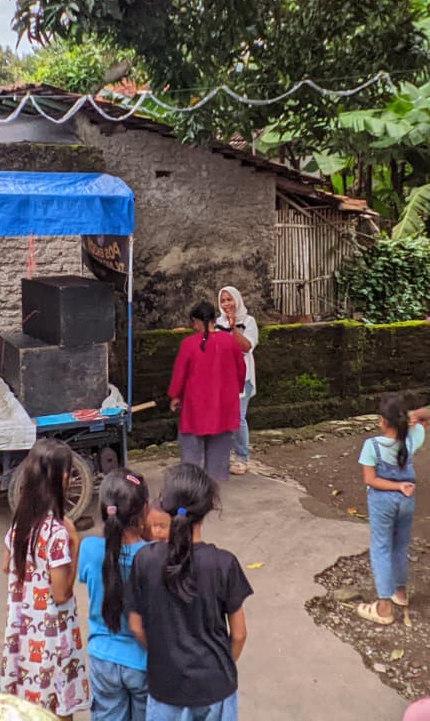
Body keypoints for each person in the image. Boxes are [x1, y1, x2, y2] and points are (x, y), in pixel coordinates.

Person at [128, 464, 252, 721]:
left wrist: (163, 658)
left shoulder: (144, 560)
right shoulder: (224, 563)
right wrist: (221, 670)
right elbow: (239, 634)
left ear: (165, 505)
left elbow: (136, 626)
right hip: (215, 687)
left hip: (165, 686)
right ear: (209, 506)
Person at [1, 438, 90, 718]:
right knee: (58, 704)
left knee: (31, 704)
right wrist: (75, 544)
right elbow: (61, 593)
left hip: (23, 632)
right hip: (52, 636)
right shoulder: (57, 533)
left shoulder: (19, 522)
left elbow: (7, 566)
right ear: (61, 478)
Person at [78, 471, 151, 721]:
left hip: (103, 657)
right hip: (143, 659)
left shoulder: (89, 548)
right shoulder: (154, 555)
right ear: (145, 509)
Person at [356, 395, 430, 625]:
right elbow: (426, 416)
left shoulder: (372, 445)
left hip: (383, 502)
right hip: (406, 500)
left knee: (381, 548)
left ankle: (384, 607)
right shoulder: (410, 441)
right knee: (400, 546)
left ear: (382, 421)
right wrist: (414, 418)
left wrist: (396, 485)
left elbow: (371, 480)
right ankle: (400, 593)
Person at [169, 301, 246, 484]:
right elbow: (241, 370)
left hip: (195, 406)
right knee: (219, 455)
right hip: (224, 405)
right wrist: (235, 390)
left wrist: (175, 396)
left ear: (196, 321)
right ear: (214, 319)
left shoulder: (189, 344)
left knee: (191, 455)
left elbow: (180, 374)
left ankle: (191, 488)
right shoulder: (229, 341)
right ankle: (213, 490)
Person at [217, 286, 259, 476]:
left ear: (237, 300)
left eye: (229, 299)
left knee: (237, 417)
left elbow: (247, 346)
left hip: (243, 378)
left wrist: (233, 328)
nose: (227, 304)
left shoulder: (249, 322)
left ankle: (242, 457)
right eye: (223, 300)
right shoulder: (218, 323)